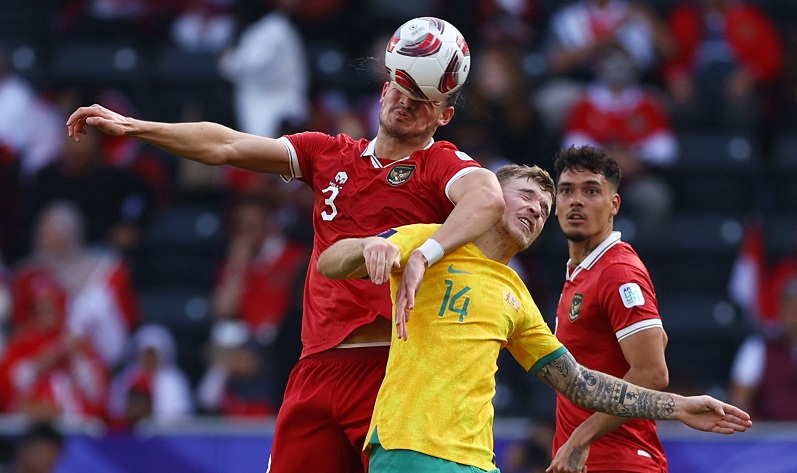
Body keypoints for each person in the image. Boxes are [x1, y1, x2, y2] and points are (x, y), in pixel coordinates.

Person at [66, 17, 506, 472]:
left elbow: (488, 197)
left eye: (421, 100)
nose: (404, 102)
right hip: (313, 369)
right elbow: (225, 145)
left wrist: (423, 253)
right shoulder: (329, 153)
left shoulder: (439, 164)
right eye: (399, 87)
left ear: (443, 114)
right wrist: (135, 127)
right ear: (383, 88)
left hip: (389, 368)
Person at [316, 164, 752, 473]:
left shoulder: (517, 296)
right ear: (488, 197)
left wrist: (678, 407)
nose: (537, 211)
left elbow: (581, 383)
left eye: (544, 208)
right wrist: (370, 248)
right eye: (526, 196)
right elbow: (330, 262)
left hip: (476, 461)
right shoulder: (432, 241)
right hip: (410, 449)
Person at [549, 145, 670, 472]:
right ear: (555, 203)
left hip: (620, 462)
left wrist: (580, 437)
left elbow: (652, 372)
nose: (576, 200)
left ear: (614, 204)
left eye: (591, 191)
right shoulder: (581, 272)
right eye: (566, 191)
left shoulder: (617, 271)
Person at [561, 44, 678, 242]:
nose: (616, 68)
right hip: (595, 180)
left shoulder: (648, 102)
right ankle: (587, 257)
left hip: (637, 178)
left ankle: (643, 254)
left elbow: (666, 149)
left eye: (622, 62)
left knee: (656, 198)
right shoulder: (586, 102)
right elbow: (571, 145)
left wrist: (635, 157)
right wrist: (608, 159)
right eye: (610, 61)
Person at [728, 276, 797, 421]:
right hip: (770, 439)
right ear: (781, 311)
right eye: (790, 310)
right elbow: (739, 402)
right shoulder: (758, 347)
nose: (794, 318)